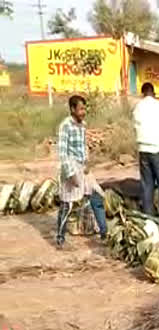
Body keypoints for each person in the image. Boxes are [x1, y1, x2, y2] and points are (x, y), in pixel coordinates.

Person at [55, 95, 108, 248]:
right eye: (80, 109)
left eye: (84, 109)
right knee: (67, 204)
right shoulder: (66, 126)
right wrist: (70, 174)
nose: (83, 112)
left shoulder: (82, 125)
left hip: (83, 167)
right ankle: (60, 238)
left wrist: (88, 161)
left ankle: (104, 233)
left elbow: (84, 146)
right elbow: (62, 152)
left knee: (97, 196)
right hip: (70, 166)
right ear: (72, 109)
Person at [133, 82, 159, 229]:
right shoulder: (158, 105)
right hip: (158, 149)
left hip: (143, 150)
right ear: (154, 93)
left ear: (142, 93)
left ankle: (148, 220)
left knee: (147, 185)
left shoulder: (138, 107)